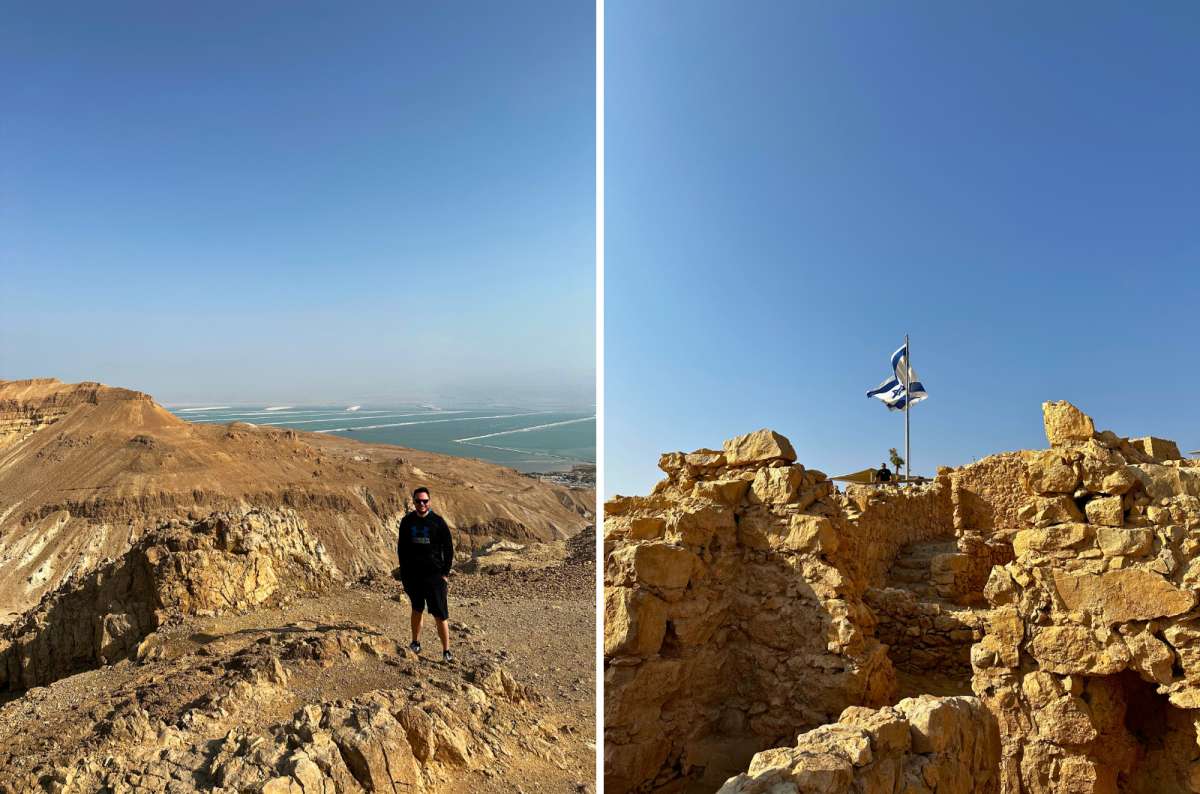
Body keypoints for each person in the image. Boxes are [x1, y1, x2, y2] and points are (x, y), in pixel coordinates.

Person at [396, 486, 454, 663]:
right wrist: (404, 573)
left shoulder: (438, 522)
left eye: (425, 501)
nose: (422, 504)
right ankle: (415, 642)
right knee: (417, 609)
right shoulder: (407, 522)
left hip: (435, 576)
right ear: (413, 502)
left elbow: (449, 549)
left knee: (440, 614)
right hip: (413, 576)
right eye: (418, 501)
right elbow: (402, 548)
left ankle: (446, 651)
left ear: (429, 502)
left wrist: (444, 573)